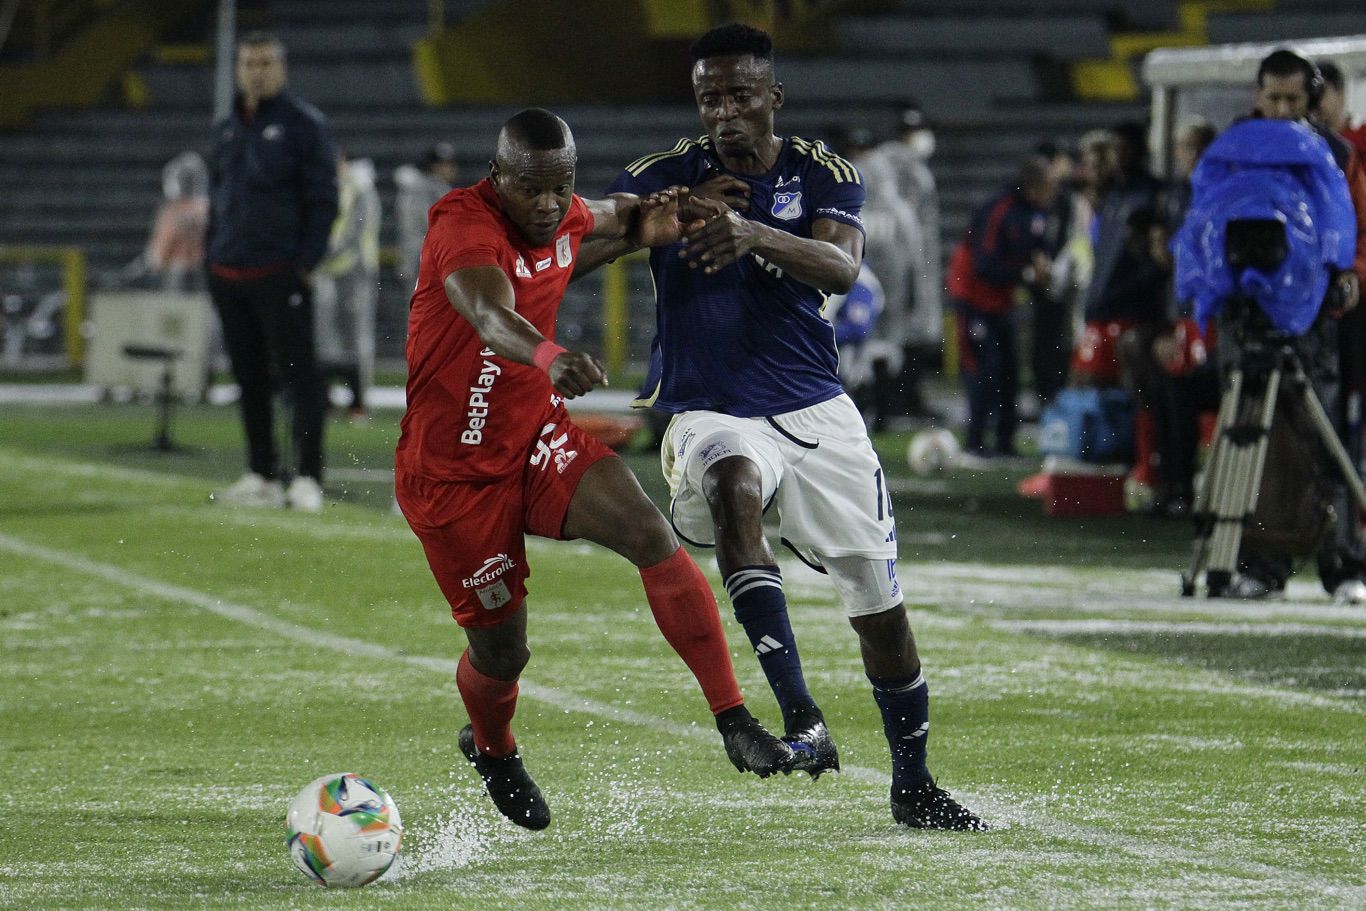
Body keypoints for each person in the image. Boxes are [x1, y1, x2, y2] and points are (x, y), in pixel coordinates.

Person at [590, 23, 984, 830]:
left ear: (775, 97)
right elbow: (581, 242)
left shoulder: (822, 171)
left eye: (739, 95)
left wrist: (755, 235)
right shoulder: (665, 174)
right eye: (709, 97)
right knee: (733, 482)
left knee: (881, 606)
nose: (724, 112)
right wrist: (646, 222)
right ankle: (802, 716)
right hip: (707, 406)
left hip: (815, 408)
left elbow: (841, 266)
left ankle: (912, 784)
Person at [393, 108, 794, 831]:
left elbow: (620, 218)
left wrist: (667, 217)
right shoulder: (462, 225)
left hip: (535, 438)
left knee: (650, 533)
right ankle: (493, 746)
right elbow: (490, 314)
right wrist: (550, 356)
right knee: (504, 652)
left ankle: (733, 716)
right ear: (499, 178)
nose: (549, 204)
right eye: (532, 189)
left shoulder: (564, 213)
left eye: (561, 186)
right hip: (452, 478)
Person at [1221, 48, 1366, 601]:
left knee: (1321, 433)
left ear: (1312, 100)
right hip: (1245, 309)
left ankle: (1344, 564)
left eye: (1293, 99)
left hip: (1311, 313)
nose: (1282, 109)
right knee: (1254, 438)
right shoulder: (1231, 150)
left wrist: (1351, 273)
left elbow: (1352, 224)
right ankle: (1260, 565)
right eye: (1273, 98)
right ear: (1257, 95)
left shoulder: (1333, 152)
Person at [205, 32, 338, 512]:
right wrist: (210, 259)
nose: (255, 71)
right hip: (229, 271)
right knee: (249, 378)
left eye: (264, 63)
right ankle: (261, 473)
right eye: (247, 63)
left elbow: (325, 199)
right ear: (237, 69)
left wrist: (305, 263)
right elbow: (217, 202)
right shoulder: (226, 128)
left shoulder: (304, 124)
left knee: (300, 376)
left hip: (280, 271)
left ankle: (307, 476)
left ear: (280, 68)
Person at [947, 155, 1058, 461]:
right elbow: (984, 264)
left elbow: (1038, 248)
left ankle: (1005, 441)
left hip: (1002, 300)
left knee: (1009, 371)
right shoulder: (998, 210)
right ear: (1035, 186)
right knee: (982, 370)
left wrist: (1041, 262)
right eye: (1049, 186)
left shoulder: (1036, 211)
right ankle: (974, 442)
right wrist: (1026, 275)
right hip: (974, 299)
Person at [315, 149, 381, 422]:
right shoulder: (330, 187)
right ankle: (328, 397)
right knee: (326, 337)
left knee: (355, 336)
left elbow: (356, 230)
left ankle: (359, 399)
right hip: (329, 271)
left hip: (355, 271)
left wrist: (327, 252)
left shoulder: (360, 188)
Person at [394, 142, 461, 295]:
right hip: (423, 258)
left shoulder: (436, 189)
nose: (450, 169)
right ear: (433, 166)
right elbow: (426, 223)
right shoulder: (422, 189)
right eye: (444, 164)